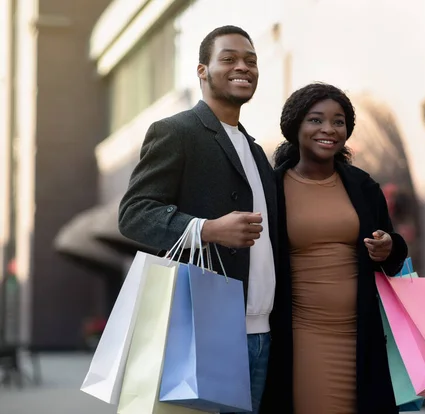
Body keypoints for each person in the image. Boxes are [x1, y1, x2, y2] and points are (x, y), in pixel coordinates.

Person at [118, 25, 277, 414]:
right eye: (229, 59)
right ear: (202, 71)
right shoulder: (176, 132)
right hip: (203, 330)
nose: (243, 67)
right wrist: (206, 229)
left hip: (263, 334)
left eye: (251, 61)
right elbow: (133, 214)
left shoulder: (256, 152)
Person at [261, 83, 408, 414]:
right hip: (302, 336)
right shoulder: (271, 189)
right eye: (316, 120)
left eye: (338, 121)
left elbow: (395, 254)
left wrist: (388, 247)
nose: (328, 129)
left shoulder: (363, 186)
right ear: (295, 126)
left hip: (363, 338)